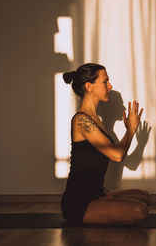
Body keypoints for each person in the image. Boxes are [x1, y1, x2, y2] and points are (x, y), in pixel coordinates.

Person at [61, 63, 150, 225]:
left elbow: (118, 154)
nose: (110, 86)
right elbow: (117, 156)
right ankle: (100, 205)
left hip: (96, 193)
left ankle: (103, 200)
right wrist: (130, 130)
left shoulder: (96, 121)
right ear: (89, 87)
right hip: (78, 202)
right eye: (105, 81)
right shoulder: (81, 120)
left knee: (143, 196)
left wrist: (134, 135)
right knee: (140, 210)